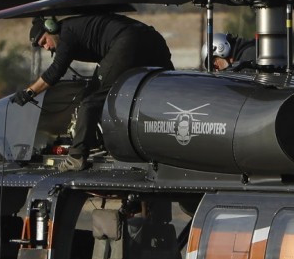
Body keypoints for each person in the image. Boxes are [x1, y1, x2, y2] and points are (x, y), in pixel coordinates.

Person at [12, 14, 174, 170]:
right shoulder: (75, 29)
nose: (46, 47)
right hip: (153, 39)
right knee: (170, 92)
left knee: (89, 101)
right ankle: (170, 140)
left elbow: (55, 72)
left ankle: (76, 157)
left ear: (51, 28)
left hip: (127, 42)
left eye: (44, 41)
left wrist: (29, 92)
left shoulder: (66, 35)